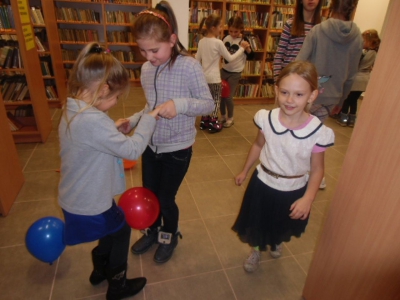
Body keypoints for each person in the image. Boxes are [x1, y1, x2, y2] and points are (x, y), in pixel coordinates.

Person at [58, 42, 160, 300]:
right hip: (90, 202)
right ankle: (117, 285)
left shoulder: (72, 108)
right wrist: (148, 121)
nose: (115, 103)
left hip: (78, 196)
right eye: (115, 98)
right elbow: (133, 150)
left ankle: (99, 272)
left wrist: (111, 130)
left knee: (111, 231)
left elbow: (91, 140)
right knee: (122, 230)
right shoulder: (93, 121)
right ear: (103, 89)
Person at [123, 1, 214, 264]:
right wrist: (131, 120)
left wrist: (181, 105)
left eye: (154, 49)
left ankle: (169, 235)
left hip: (177, 149)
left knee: (165, 198)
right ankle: (152, 231)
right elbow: (150, 107)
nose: (148, 57)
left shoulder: (188, 66)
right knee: (149, 194)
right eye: (142, 50)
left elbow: (209, 104)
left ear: (172, 40)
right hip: (151, 146)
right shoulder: (146, 69)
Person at [232, 61, 334, 273]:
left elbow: (317, 170)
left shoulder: (317, 131)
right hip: (262, 183)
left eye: (299, 94)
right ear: (276, 90)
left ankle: (276, 241)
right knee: (258, 221)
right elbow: (259, 145)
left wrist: (308, 198)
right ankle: (256, 249)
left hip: (294, 188)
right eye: (285, 92)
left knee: (280, 222)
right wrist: (245, 170)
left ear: (312, 95)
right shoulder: (266, 119)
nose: (290, 100)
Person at [296, 0, 363, 122]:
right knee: (313, 132)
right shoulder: (357, 37)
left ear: (332, 6)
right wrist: (342, 100)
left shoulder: (318, 30)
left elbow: (299, 63)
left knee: (295, 131)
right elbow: (351, 75)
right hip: (333, 98)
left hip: (309, 95)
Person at [195, 14, 250, 133]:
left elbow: (196, 60)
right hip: (214, 78)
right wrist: (241, 49)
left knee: (207, 99)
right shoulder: (218, 43)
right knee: (215, 100)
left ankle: (204, 120)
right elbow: (229, 58)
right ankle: (213, 122)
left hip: (204, 78)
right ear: (213, 28)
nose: (221, 29)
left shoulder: (201, 42)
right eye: (220, 26)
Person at [336, 29, 380, 127]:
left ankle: (343, 119)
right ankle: (352, 120)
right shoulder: (375, 53)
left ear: (368, 41)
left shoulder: (363, 53)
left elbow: (355, 64)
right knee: (354, 100)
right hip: (364, 80)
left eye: (363, 40)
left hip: (357, 79)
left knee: (347, 99)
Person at [273, 0, 322, 82]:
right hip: (289, 75)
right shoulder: (290, 24)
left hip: (308, 78)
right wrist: (277, 81)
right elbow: (279, 55)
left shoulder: (321, 28)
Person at [220, 16, 254, 128]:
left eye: (236, 31)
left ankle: (230, 118)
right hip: (224, 70)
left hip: (235, 73)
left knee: (228, 96)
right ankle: (223, 116)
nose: (233, 34)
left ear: (241, 30)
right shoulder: (225, 38)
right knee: (220, 94)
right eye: (231, 31)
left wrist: (247, 49)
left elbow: (252, 56)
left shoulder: (244, 40)